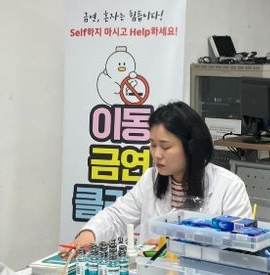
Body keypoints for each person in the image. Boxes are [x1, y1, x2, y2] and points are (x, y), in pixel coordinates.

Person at [68, 100, 252, 250]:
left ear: (191, 146)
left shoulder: (228, 187)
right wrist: (89, 234)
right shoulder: (151, 179)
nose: (156, 154)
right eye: (153, 145)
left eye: (165, 146)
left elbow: (240, 246)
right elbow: (116, 217)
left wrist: (178, 247)